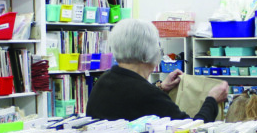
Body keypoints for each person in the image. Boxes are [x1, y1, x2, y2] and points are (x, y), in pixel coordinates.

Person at [86, 18, 228, 121]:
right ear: (149, 52)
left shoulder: (104, 80)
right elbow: (192, 131)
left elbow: (131, 101)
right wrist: (212, 100)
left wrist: (161, 88)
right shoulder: (147, 95)